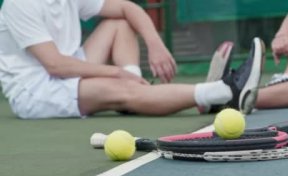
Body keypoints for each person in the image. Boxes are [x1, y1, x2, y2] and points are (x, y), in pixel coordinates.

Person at [0, 0, 264, 119]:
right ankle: (227, 91)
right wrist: (116, 74)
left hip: (67, 68)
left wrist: (155, 43)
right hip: (35, 90)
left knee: (119, 22)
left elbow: (127, 7)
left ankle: (134, 96)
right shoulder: (20, 4)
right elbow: (55, 65)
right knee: (120, 84)